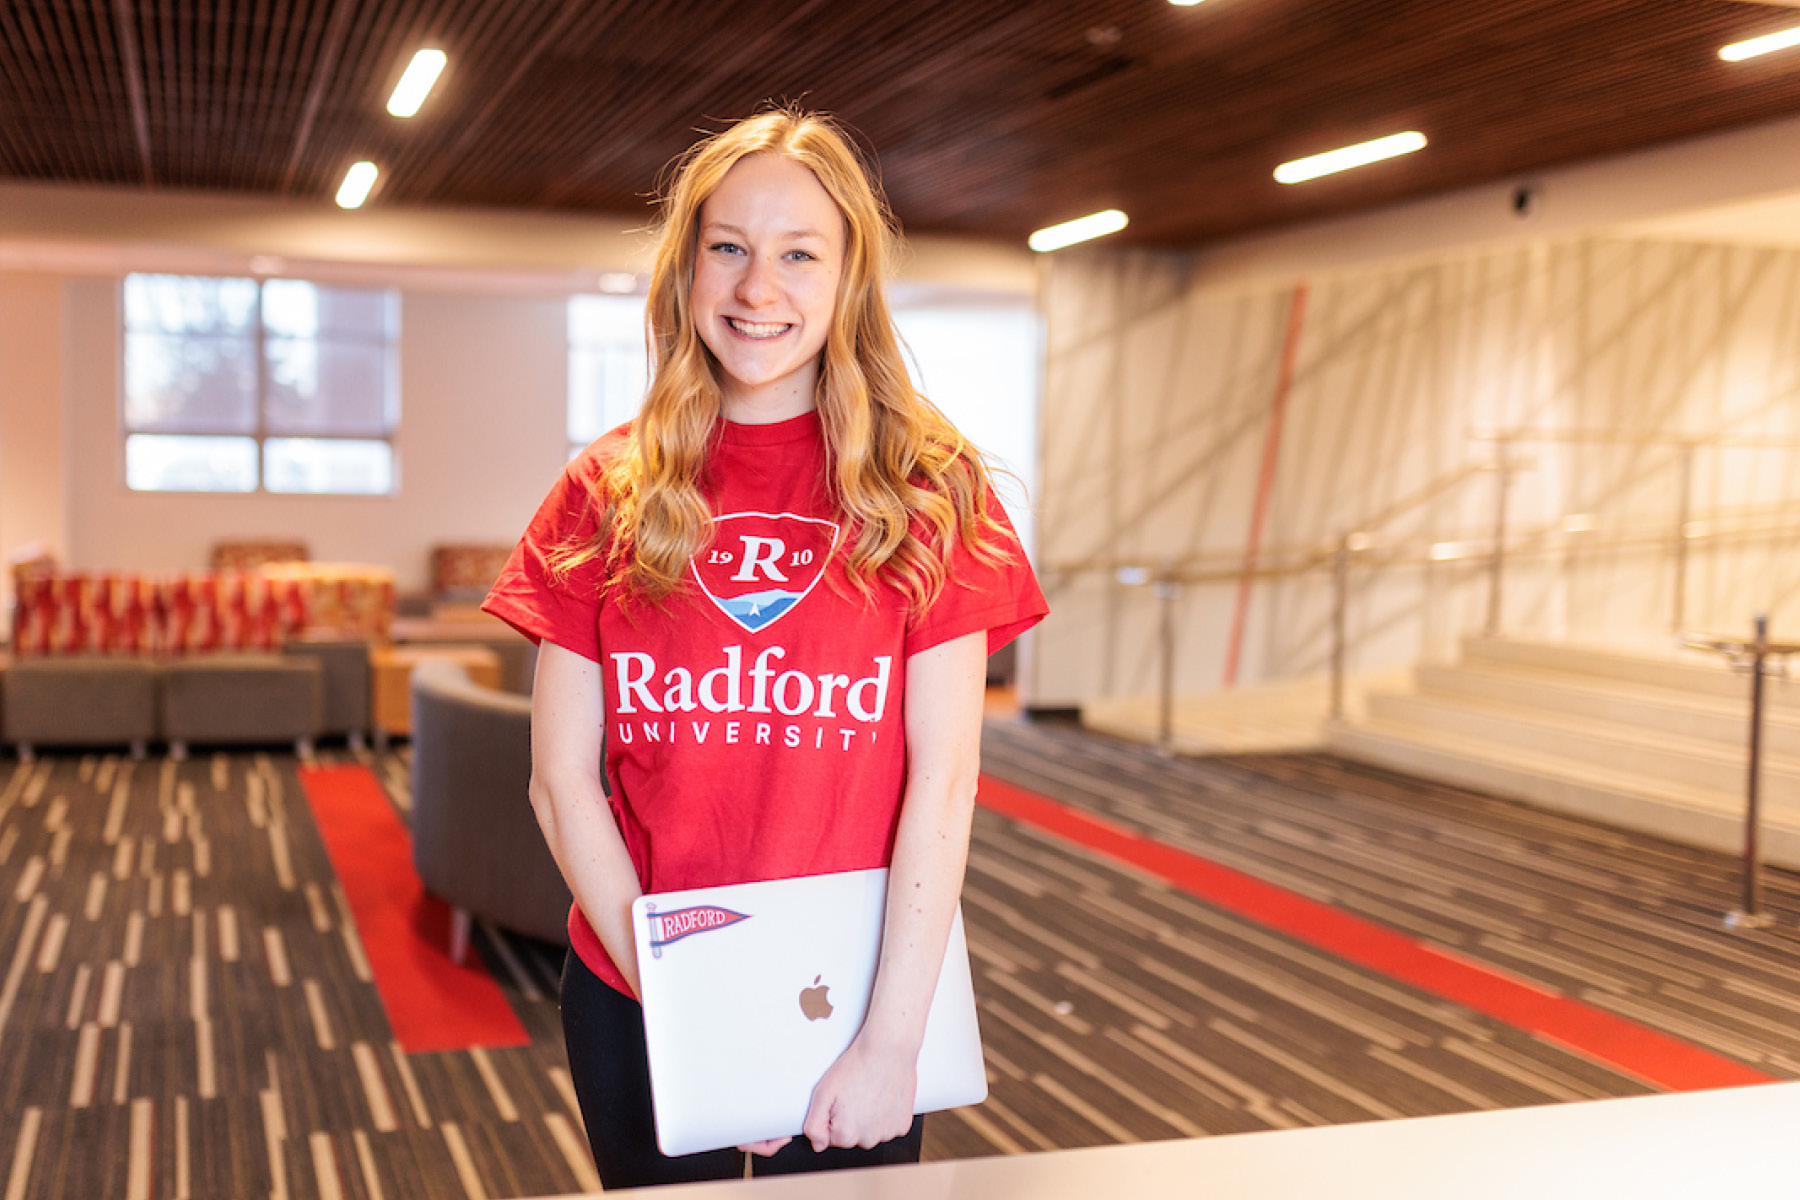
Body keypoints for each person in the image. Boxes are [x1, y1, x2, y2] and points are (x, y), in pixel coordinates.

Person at [482, 105, 1047, 1189]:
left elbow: (945, 783)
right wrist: (699, 1014)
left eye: (799, 254)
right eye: (729, 248)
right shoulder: (606, 490)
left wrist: (890, 1040)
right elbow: (562, 784)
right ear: (687, 268)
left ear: (848, 281)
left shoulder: (930, 492)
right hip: (642, 985)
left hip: (850, 995)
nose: (758, 288)